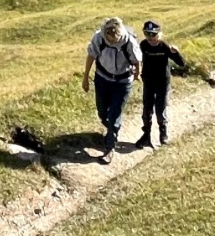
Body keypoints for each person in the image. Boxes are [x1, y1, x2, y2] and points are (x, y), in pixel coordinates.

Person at [81, 15, 140, 162]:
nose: (112, 41)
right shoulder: (98, 38)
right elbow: (91, 56)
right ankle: (112, 129)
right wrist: (86, 77)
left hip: (122, 82)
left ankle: (110, 147)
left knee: (114, 114)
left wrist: (137, 75)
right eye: (110, 38)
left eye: (115, 39)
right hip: (102, 78)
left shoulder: (129, 42)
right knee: (102, 111)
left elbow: (137, 61)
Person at [133, 20, 190, 148]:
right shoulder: (143, 45)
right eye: (147, 34)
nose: (151, 38)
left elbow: (181, 63)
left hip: (162, 83)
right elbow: (136, 58)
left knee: (160, 109)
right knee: (147, 110)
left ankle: (163, 135)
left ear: (160, 35)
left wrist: (176, 53)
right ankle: (146, 136)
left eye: (154, 35)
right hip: (148, 82)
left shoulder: (164, 46)